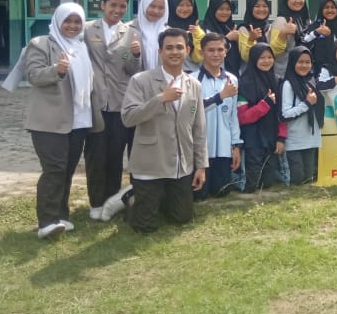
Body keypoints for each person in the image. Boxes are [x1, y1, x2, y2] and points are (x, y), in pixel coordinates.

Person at [16, 2, 101, 239]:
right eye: (68, 21)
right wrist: (57, 70)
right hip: (49, 121)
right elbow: (33, 75)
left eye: (77, 22)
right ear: (57, 21)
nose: (73, 26)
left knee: (67, 170)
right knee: (54, 169)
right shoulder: (41, 44)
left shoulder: (83, 46)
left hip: (79, 119)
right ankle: (47, 221)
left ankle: (61, 215)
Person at [116, 28, 207, 233]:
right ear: (160, 52)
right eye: (169, 48)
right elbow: (128, 118)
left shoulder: (194, 85)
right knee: (145, 226)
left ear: (187, 50)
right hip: (151, 163)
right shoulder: (141, 80)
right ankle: (131, 198)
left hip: (180, 165)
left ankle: (158, 199)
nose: (174, 52)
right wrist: (160, 99)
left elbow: (199, 128)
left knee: (182, 218)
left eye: (179, 47)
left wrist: (201, 165)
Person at [83, 0, 141, 218]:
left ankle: (111, 200)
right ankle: (96, 202)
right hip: (95, 101)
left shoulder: (131, 33)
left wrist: (135, 55)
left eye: (122, 6)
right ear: (103, 5)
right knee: (95, 154)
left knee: (115, 155)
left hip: (119, 102)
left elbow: (132, 70)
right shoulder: (87, 29)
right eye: (113, 5)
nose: (117, 10)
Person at [195, 32, 243, 199]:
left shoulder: (232, 79)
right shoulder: (193, 79)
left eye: (220, 50)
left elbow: (233, 115)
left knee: (221, 192)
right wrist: (220, 97)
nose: (216, 54)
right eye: (211, 50)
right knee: (199, 196)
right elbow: (193, 111)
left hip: (223, 149)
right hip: (201, 151)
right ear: (201, 52)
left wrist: (236, 146)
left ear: (226, 52)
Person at [238, 43, 284, 191]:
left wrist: (281, 138)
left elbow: (282, 113)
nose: (266, 61)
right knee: (252, 185)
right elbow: (243, 117)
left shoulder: (277, 81)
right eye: (262, 57)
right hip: (252, 138)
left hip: (271, 136)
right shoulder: (244, 83)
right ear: (253, 59)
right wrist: (265, 104)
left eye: (270, 57)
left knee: (268, 183)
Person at [280, 45, 321, 185]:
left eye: (307, 62)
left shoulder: (311, 81)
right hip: (294, 140)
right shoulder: (288, 84)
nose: (304, 65)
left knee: (308, 178)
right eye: (300, 62)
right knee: (297, 179)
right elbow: (285, 114)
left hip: (310, 137)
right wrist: (307, 104)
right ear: (293, 62)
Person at [271, 0, 312, 78]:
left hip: (303, 73)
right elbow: (273, 51)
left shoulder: (304, 20)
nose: (298, 1)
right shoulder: (281, 21)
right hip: (284, 74)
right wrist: (283, 34)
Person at [201, 0, 243, 75]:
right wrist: (227, 39)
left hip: (233, 75)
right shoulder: (205, 29)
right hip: (211, 74)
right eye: (221, 9)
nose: (225, 12)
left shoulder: (232, 27)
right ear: (213, 10)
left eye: (228, 9)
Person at [167, 0, 205, 72]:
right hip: (169, 73)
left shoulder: (198, 28)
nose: (185, 9)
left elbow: (199, 57)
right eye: (180, 5)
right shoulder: (165, 29)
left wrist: (198, 35)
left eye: (189, 5)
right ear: (172, 5)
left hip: (194, 75)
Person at [305, 0, 337, 70]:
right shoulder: (315, 26)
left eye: (333, 7)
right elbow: (304, 42)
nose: (330, 10)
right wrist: (316, 32)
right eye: (326, 7)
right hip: (318, 69)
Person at [135, 0, 169, 71]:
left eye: (161, 8)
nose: (156, 11)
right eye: (152, 6)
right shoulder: (129, 29)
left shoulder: (169, 33)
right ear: (144, 5)